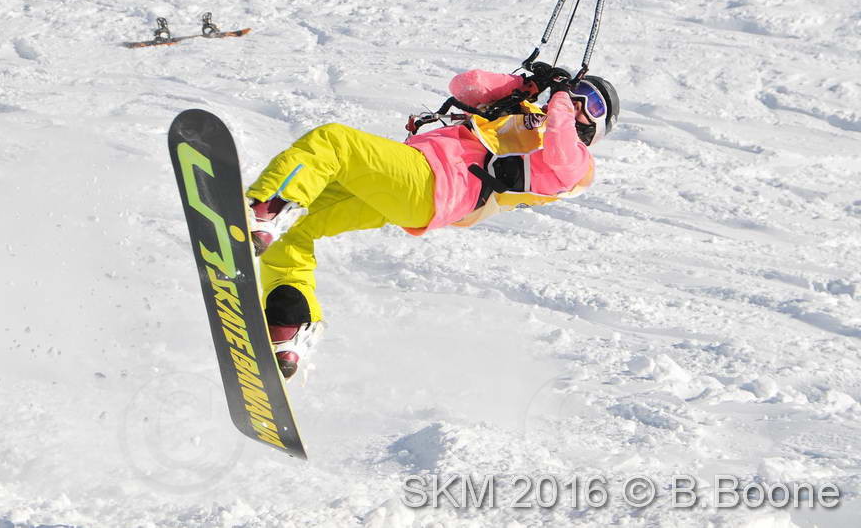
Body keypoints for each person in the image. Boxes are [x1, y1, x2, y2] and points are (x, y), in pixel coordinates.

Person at [245, 69, 620, 379]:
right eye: (580, 92)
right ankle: (289, 326)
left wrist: (561, 102)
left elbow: (560, 150)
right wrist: (524, 85)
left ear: (599, 126)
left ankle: (266, 209)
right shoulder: (522, 118)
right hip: (414, 184)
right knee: (297, 231)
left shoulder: (578, 162)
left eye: (594, 103)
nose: (580, 102)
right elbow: (466, 86)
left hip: (438, 184)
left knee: (333, 142)